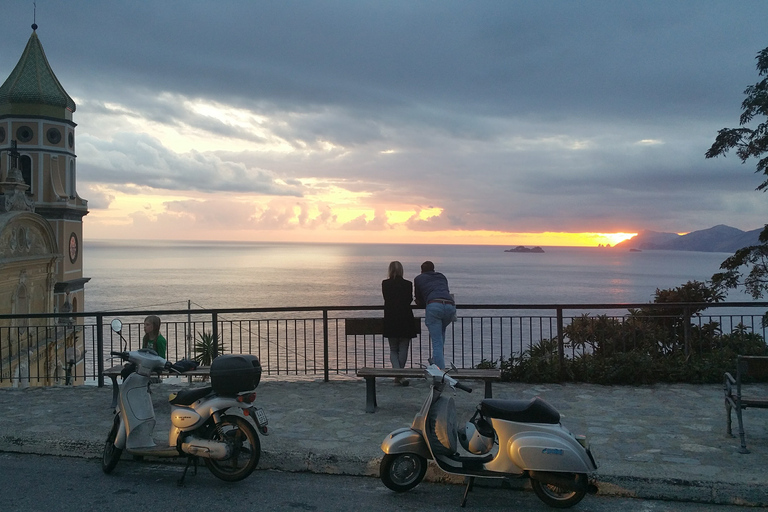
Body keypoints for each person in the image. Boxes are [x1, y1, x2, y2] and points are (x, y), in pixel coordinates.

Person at [382, 261, 419, 386]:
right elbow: (409, 299)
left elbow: (386, 298)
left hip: (391, 317)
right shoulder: (407, 284)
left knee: (393, 349)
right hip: (406, 317)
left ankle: (399, 375)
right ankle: (399, 375)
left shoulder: (385, 284)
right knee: (404, 347)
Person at [414, 261, 455, 369]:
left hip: (434, 306)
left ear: (421, 270)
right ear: (433, 269)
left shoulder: (419, 278)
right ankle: (436, 363)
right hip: (450, 306)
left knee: (437, 342)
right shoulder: (441, 276)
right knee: (440, 338)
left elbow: (419, 298)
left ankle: (440, 373)